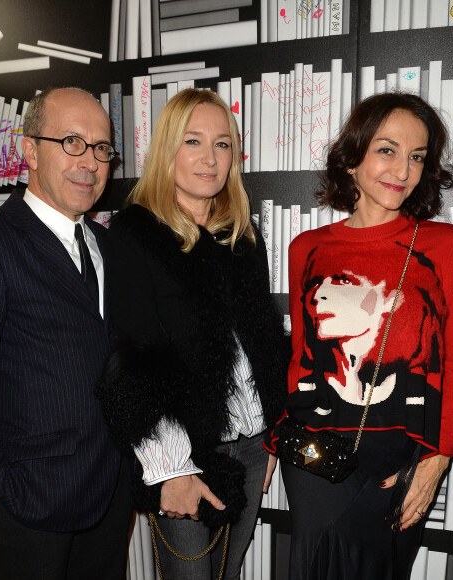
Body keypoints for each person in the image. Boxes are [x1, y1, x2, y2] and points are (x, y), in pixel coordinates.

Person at [265, 92, 453, 579]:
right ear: (352, 158)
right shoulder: (307, 247)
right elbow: (302, 358)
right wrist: (275, 442)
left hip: (401, 457)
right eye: (387, 150)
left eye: (417, 157)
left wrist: (438, 458)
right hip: (315, 452)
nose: (403, 170)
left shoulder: (444, 244)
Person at [0, 87, 133, 580]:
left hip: (111, 492)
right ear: (28, 150)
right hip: (31, 502)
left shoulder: (110, 246)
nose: (90, 162)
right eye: (71, 142)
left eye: (102, 148)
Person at [95, 88, 288, 579]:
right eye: (193, 141)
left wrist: (272, 434)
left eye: (222, 144)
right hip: (183, 452)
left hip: (251, 444)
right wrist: (173, 469)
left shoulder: (241, 235)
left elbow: (262, 343)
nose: (209, 158)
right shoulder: (135, 232)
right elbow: (136, 356)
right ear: (167, 151)